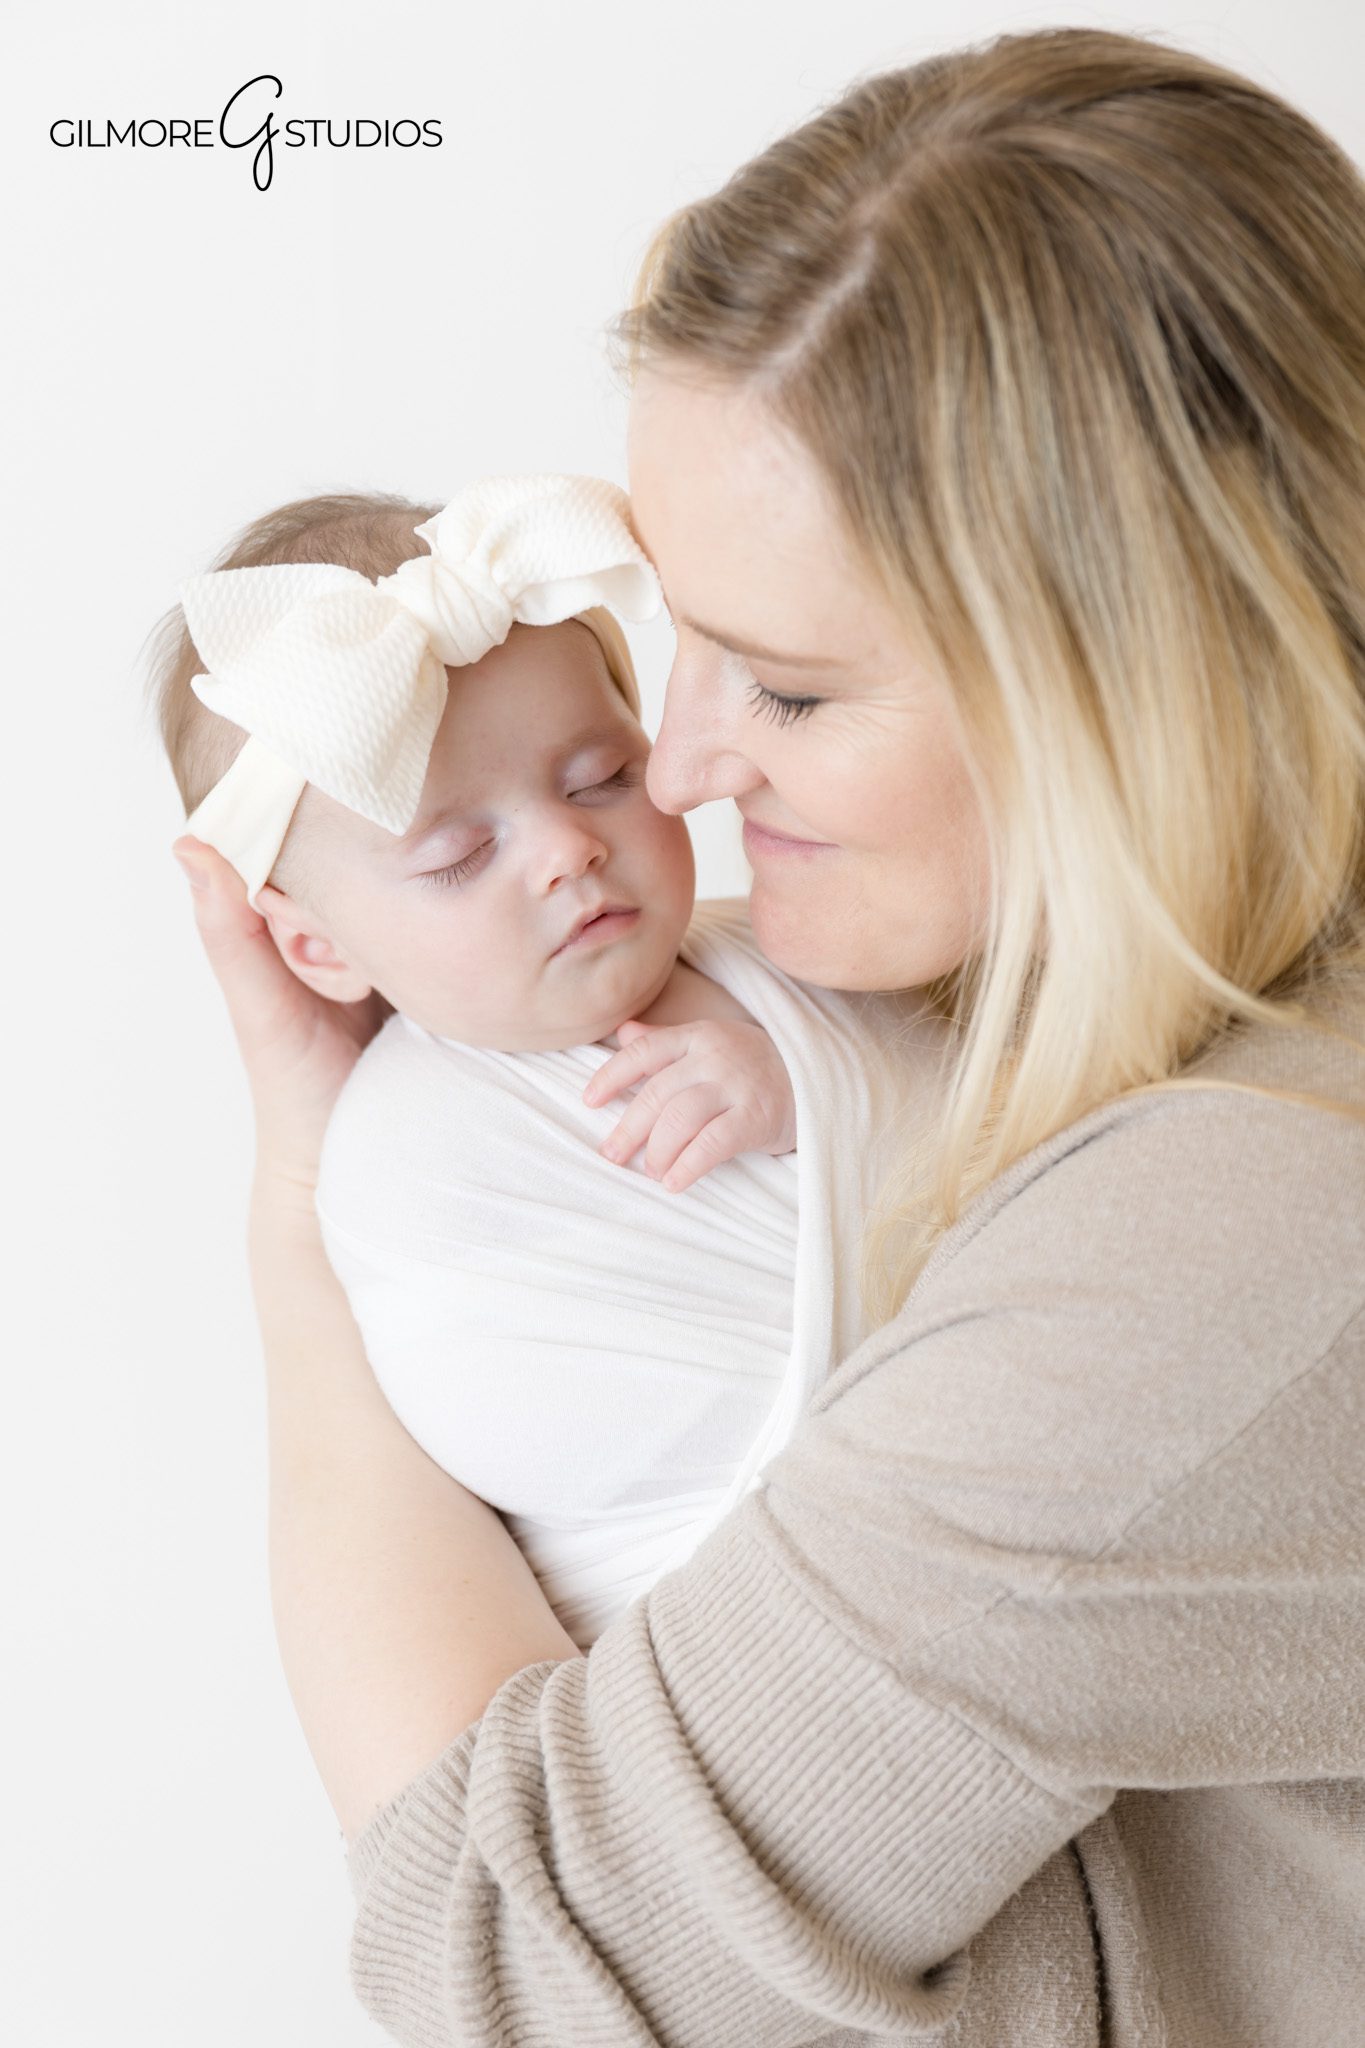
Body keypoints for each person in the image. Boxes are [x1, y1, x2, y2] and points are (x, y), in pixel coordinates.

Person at [170, 24, 1365, 2048]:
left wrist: (297, 1218)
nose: (685, 759)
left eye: (789, 692)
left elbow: (512, 1961)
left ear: (1134, 681)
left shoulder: (1226, 1256)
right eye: (680, 642)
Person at [153, 477, 945, 1655]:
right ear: (316, 945)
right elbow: (533, 1426)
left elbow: (1018, 1135)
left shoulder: (801, 959)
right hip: (720, 1641)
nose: (570, 847)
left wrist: (804, 1092)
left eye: (601, 780)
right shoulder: (393, 1160)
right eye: (462, 853)